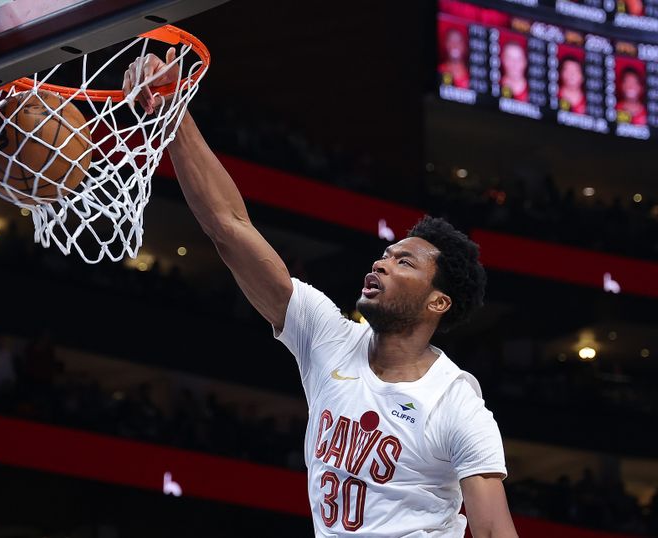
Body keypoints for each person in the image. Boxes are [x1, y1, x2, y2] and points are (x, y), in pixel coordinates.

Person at [123, 52, 518, 537]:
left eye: (404, 262)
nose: (381, 263)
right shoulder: (329, 337)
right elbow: (229, 228)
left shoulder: (455, 403)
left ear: (438, 302)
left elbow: (496, 531)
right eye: (386, 254)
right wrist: (172, 111)